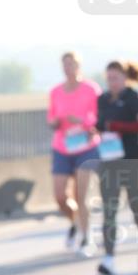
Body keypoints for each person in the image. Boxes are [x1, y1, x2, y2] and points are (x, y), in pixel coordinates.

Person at [94, 60, 138, 275]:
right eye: (108, 78)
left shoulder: (133, 99)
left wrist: (119, 128)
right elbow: (100, 123)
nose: (112, 82)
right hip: (109, 161)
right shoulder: (103, 100)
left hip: (132, 159)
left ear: (125, 78)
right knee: (109, 210)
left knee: (136, 206)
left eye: (115, 78)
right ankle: (109, 259)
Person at [47, 52, 101, 257]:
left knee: (81, 193)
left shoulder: (91, 89)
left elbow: (99, 117)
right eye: (65, 65)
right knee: (60, 196)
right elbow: (51, 117)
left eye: (71, 64)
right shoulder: (55, 92)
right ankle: (75, 222)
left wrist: (82, 123)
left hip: (85, 146)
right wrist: (55, 123)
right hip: (62, 146)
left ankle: (87, 237)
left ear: (79, 66)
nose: (68, 68)